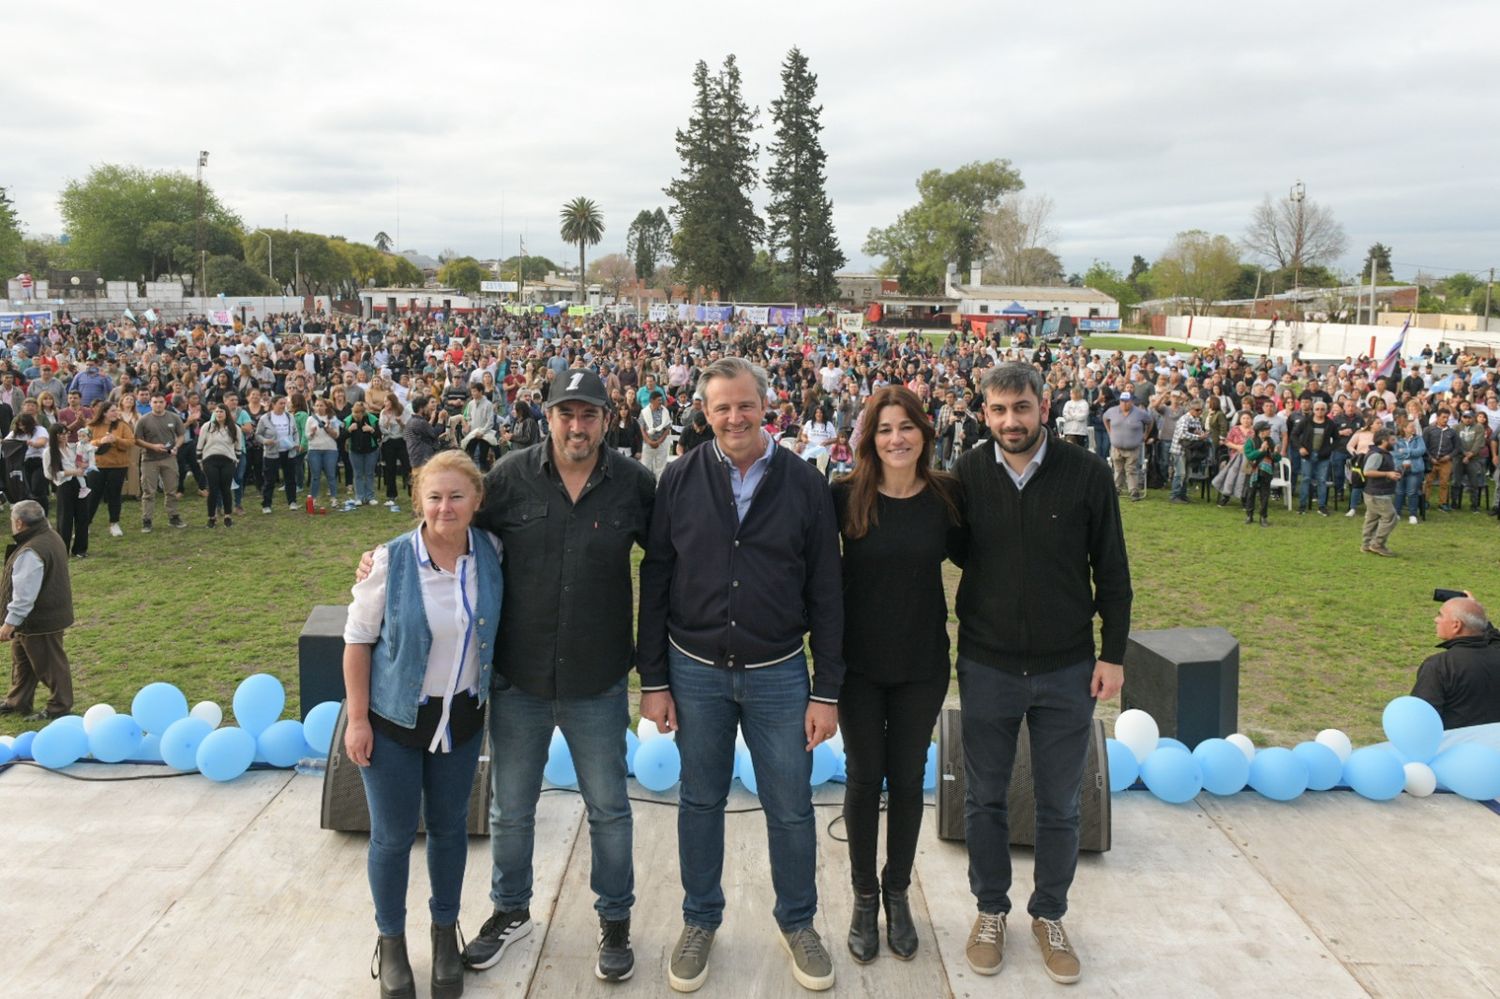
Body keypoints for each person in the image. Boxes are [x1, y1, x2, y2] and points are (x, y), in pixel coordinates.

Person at [638, 356, 844, 994]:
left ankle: (798, 922)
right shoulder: (678, 476)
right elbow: (658, 576)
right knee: (699, 802)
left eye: (745, 404)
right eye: (721, 406)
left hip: (780, 674)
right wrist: (653, 679)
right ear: (704, 412)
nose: (734, 417)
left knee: (790, 808)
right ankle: (700, 920)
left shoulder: (804, 483)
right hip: (694, 671)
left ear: (766, 406)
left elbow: (828, 589)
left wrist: (826, 688)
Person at [950, 362, 1130, 986]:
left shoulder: (1087, 473)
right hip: (986, 663)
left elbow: (1113, 571)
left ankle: (1049, 914)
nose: (1010, 422)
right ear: (984, 412)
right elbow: (941, 545)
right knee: (983, 798)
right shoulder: (968, 474)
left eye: (1021, 409)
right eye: (998, 411)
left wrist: (1113, 655)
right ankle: (990, 910)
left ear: (1044, 405)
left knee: (1060, 803)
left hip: (1068, 667)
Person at [343, 450, 502, 999]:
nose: (445, 507)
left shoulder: (492, 552)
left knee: (450, 827)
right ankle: (390, 943)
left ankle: (443, 932)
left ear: (477, 501)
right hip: (393, 720)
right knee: (391, 836)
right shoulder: (390, 561)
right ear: (418, 501)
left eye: (457, 495)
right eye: (434, 497)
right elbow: (357, 641)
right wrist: (358, 719)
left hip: (461, 716)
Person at [830, 386, 961, 964]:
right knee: (863, 779)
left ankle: (897, 891)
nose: (896, 439)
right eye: (884, 429)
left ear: (924, 434)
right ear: (869, 438)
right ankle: (863, 897)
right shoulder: (844, 497)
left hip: (922, 664)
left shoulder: (947, 498)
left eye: (906, 427)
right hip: (857, 665)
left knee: (908, 781)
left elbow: (989, 559)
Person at [0, 501, 75, 721]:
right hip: (41, 618)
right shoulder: (50, 536)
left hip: (40, 621)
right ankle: (18, 702)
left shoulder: (30, 552)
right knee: (22, 662)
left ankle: (59, 707)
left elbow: (24, 595)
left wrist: (9, 623)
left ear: (20, 523)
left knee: (50, 665)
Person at [1411, 597, 1500, 729]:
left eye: (1440, 615)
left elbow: (1421, 721)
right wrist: (1475, 615)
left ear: (1456, 625)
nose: (1436, 619)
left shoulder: (1438, 666)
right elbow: (1495, 638)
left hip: (1457, 747)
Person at [135, 393, 187, 532]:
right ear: (150, 403)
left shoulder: (174, 417)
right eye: (155, 402)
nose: (158, 404)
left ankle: (173, 517)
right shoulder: (144, 420)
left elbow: (181, 435)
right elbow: (137, 439)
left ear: (165, 403)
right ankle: (147, 520)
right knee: (148, 492)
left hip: (169, 458)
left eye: (160, 402)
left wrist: (176, 446)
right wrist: (152, 447)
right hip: (149, 460)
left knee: (171, 490)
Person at [197, 403, 242, 529]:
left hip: (228, 461)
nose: (219, 414)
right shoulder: (207, 426)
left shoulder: (235, 428)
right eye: (216, 412)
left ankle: (228, 516)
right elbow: (200, 445)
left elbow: (238, 447)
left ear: (226, 413)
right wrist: (200, 462)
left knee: (226, 489)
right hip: (210, 460)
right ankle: (211, 517)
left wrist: (236, 461)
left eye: (221, 411)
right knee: (213, 489)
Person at [255, 395, 302, 514]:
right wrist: (266, 441)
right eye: (281, 403)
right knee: (269, 480)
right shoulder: (265, 418)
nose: (283, 406)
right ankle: (266, 504)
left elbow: (295, 432)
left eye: (285, 403)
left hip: (288, 451)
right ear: (273, 404)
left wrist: (296, 443)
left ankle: (292, 502)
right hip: (272, 453)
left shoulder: (289, 416)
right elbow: (258, 435)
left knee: (290, 478)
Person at [1102, 394, 1152, 501]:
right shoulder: (1112, 411)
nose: (1124, 403)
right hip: (1116, 447)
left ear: (1131, 401)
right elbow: (1105, 418)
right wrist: (1109, 431)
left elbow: (1150, 421)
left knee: (1131, 469)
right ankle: (1116, 489)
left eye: (1127, 401)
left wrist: (1146, 434)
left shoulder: (1140, 413)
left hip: (1132, 448)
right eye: (1122, 401)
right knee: (1118, 469)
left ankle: (1134, 491)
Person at [1360, 428, 1401, 557]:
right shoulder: (1376, 455)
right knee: (1391, 517)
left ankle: (1366, 544)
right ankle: (1377, 544)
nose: (1395, 442)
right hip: (1378, 494)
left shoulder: (1381, 453)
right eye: (1392, 440)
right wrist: (1388, 473)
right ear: (1384, 441)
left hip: (1376, 492)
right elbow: (1367, 472)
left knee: (1372, 519)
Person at [345, 400, 382, 506]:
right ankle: (359, 497)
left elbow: (379, 435)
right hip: (355, 451)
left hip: (371, 451)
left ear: (363, 412)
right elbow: (341, 437)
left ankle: (370, 497)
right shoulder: (348, 420)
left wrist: (372, 430)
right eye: (355, 412)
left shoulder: (372, 419)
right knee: (358, 474)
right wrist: (349, 430)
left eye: (359, 413)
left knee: (370, 474)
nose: (357, 415)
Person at [1242, 420, 1277, 527]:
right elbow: (1249, 456)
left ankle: (1263, 517)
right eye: (1267, 429)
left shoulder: (1271, 442)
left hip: (1266, 472)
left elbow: (1276, 459)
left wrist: (1276, 453)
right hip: (1253, 471)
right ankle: (1249, 515)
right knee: (1250, 494)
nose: (1270, 431)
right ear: (1261, 431)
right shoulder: (1250, 441)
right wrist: (1261, 450)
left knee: (1264, 495)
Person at [638, 390, 673, 479]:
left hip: (661, 444)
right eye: (658, 400)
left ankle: (659, 488)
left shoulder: (665, 411)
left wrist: (659, 441)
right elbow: (642, 428)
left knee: (661, 468)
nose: (660, 402)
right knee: (645, 466)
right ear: (652, 401)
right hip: (647, 444)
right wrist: (649, 441)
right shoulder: (644, 412)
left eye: (661, 400)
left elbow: (667, 428)